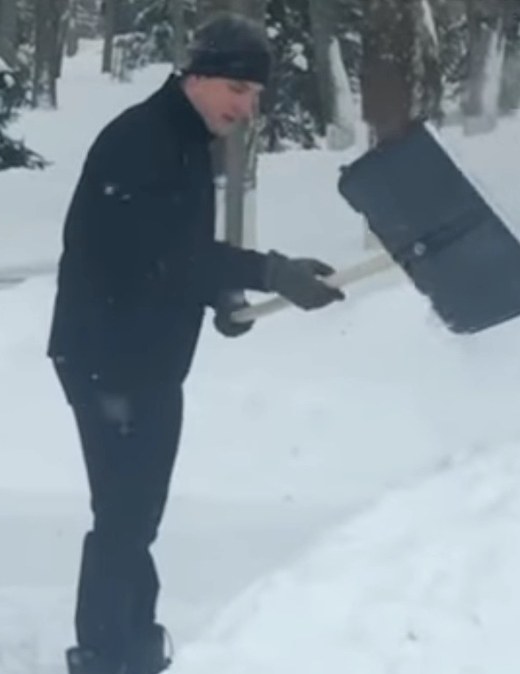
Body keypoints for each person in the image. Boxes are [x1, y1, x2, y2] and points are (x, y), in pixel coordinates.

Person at [46, 14, 345, 674]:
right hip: (107, 354)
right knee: (124, 511)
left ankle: (131, 642)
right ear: (198, 77)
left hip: (143, 353)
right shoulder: (142, 140)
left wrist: (223, 298)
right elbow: (156, 254)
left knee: (134, 512)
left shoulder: (182, 138)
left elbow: (177, 257)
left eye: (255, 94)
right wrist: (264, 271)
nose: (247, 106)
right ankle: (103, 652)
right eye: (237, 89)